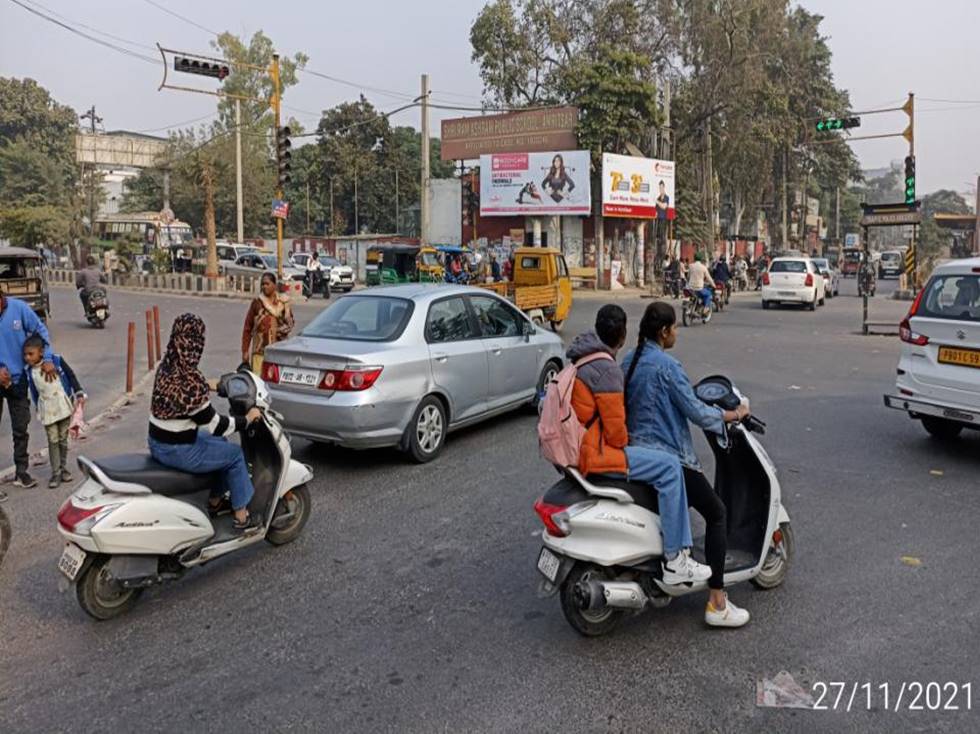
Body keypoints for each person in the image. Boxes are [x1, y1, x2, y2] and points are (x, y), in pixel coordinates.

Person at [623, 301, 752, 628]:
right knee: (717, 512)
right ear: (664, 331)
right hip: (668, 456)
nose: (677, 333)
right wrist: (733, 414)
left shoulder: (628, 361)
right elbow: (696, 412)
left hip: (635, 453)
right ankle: (717, 600)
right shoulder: (667, 367)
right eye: (675, 328)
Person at [567, 305, 712, 585]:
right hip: (595, 452)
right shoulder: (605, 368)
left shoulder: (582, 358)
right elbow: (617, 434)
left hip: (582, 447)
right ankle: (674, 559)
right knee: (671, 467)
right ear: (621, 336)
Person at [150, 314, 262, 532]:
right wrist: (247, 419)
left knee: (218, 442)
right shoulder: (189, 384)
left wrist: (210, 385)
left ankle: (215, 501)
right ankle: (242, 516)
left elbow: (187, 387)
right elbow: (216, 424)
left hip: (157, 441)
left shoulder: (167, 366)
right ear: (196, 343)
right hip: (178, 450)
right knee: (234, 454)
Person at [0, 292, 57, 492]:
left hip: (18, 380)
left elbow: (40, 331)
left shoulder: (19, 309)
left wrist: (47, 357)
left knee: (20, 428)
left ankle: (21, 472)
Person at [23, 335, 85, 489]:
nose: (27, 358)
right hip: (48, 410)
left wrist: (78, 392)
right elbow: (34, 391)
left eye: (31, 354)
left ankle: (64, 469)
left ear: (41, 352)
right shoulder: (30, 371)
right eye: (25, 354)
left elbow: (70, 375)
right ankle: (56, 472)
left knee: (63, 439)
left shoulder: (56, 361)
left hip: (63, 406)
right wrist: (37, 407)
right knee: (53, 439)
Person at [241, 272, 294, 374]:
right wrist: (245, 351)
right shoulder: (257, 303)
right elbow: (247, 328)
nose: (264, 286)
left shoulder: (283, 303)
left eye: (267, 284)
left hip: (278, 352)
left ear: (274, 285)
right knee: (259, 381)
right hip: (259, 352)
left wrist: (278, 331)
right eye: (262, 284)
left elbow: (290, 324)